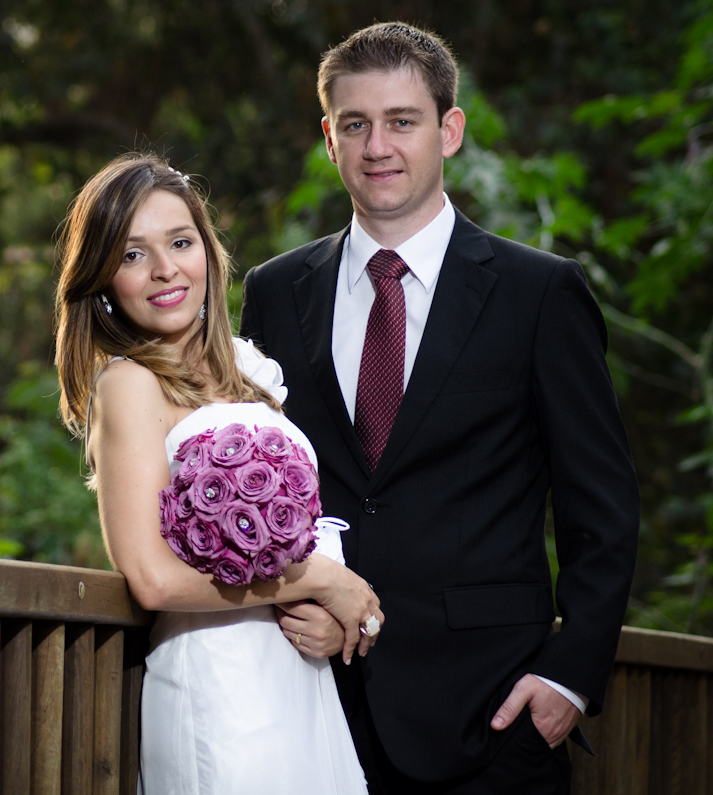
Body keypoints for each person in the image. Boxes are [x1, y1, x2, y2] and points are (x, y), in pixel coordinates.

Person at [239, 22, 640, 794]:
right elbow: (265, 495)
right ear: (329, 139)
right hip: (310, 703)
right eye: (355, 124)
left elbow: (603, 505)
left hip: (489, 723)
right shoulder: (274, 292)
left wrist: (569, 676)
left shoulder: (539, 293)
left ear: (449, 130)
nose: (377, 146)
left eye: (402, 121)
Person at [54, 152, 375, 793]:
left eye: (180, 242)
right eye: (132, 255)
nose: (165, 270)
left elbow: (294, 539)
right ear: (103, 279)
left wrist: (326, 608)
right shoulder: (128, 385)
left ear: (208, 250)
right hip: (220, 687)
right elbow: (151, 580)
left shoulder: (249, 373)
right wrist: (315, 580)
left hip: (298, 680)